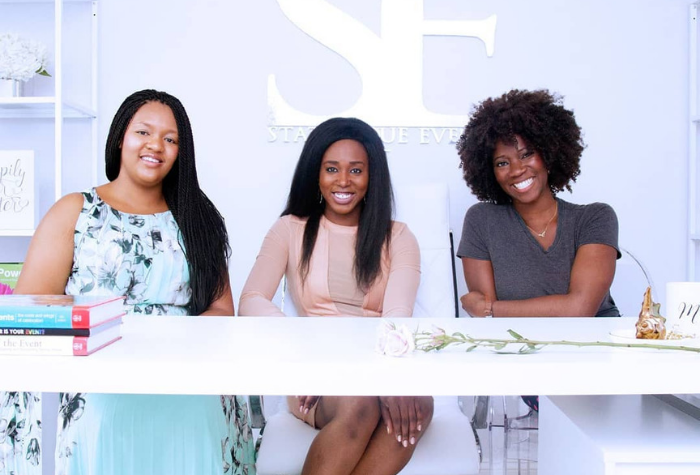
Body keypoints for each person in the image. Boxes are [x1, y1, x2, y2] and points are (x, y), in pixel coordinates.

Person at [14, 89, 255, 475]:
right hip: (103, 384)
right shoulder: (75, 211)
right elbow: (29, 309)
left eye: (170, 139)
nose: (155, 146)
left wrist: (171, 350)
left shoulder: (199, 218)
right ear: (120, 137)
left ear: (181, 152)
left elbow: (220, 309)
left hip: (189, 383)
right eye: (143, 132)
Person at [239, 117, 432, 475]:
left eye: (356, 170)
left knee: (419, 404)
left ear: (372, 177)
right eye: (332, 169)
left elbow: (397, 317)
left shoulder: (399, 237)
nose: (344, 181)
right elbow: (251, 299)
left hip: (378, 364)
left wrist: (391, 381)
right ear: (317, 174)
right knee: (361, 403)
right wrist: (304, 355)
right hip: (316, 373)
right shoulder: (290, 230)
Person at [456, 89, 620, 318]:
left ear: (549, 153)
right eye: (502, 163)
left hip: (592, 347)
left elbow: (580, 310)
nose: (516, 170)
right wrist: (491, 313)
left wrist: (492, 309)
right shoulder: (482, 220)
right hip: (517, 348)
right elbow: (488, 326)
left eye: (526, 154)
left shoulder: (595, 218)